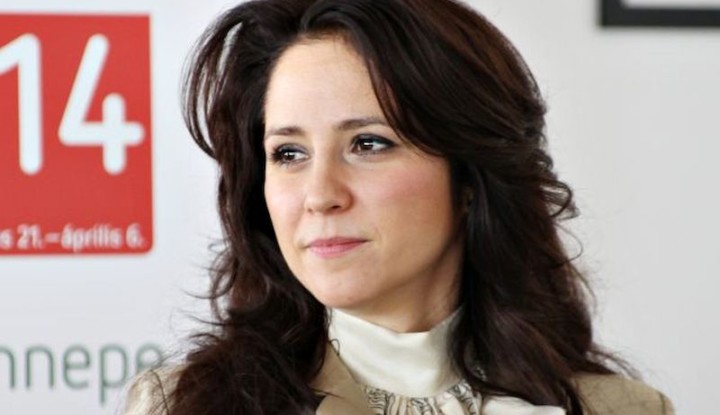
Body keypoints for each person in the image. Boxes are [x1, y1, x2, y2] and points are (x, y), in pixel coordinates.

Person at [123, 0, 674, 414]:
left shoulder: (623, 410)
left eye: (368, 144)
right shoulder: (184, 405)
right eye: (289, 153)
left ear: (469, 176)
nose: (320, 195)